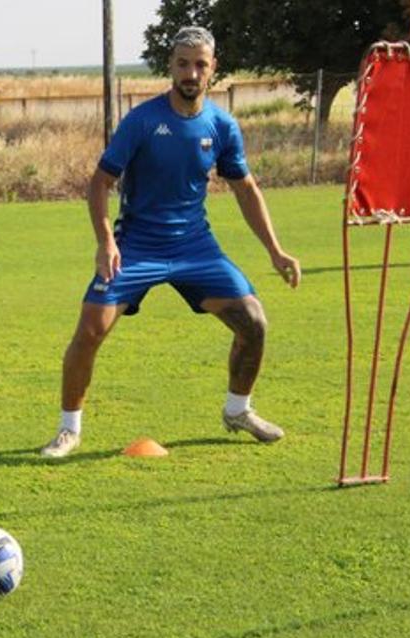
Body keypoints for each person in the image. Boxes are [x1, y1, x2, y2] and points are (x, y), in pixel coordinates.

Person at [40, 26, 302, 458]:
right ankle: (69, 430)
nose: (191, 72)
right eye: (183, 63)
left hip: (195, 247)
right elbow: (99, 183)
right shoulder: (142, 121)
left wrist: (275, 250)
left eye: (200, 64)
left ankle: (238, 410)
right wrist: (106, 242)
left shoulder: (221, 125)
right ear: (171, 66)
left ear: (213, 68)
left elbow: (246, 188)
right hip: (137, 245)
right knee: (90, 331)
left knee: (253, 322)